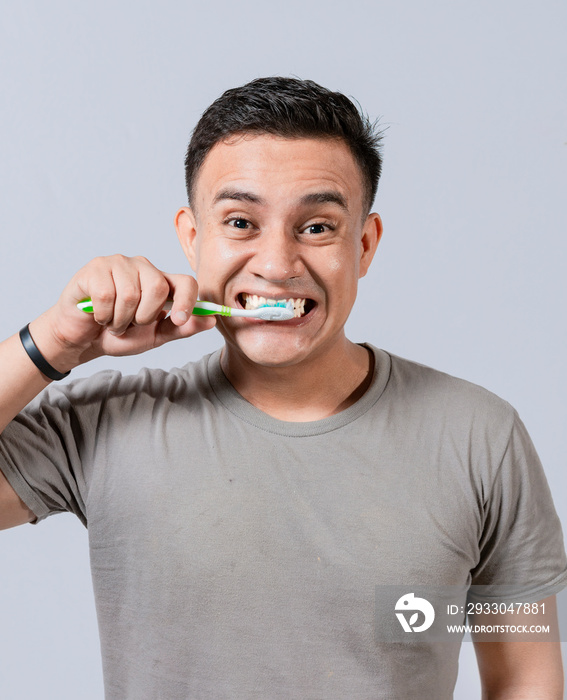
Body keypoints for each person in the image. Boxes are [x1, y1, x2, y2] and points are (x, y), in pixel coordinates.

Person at [0, 77, 565, 699]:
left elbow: (523, 679)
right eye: (241, 221)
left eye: (317, 227)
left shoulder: (480, 437)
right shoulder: (103, 426)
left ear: (365, 244)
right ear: (192, 238)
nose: (276, 263)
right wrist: (53, 341)